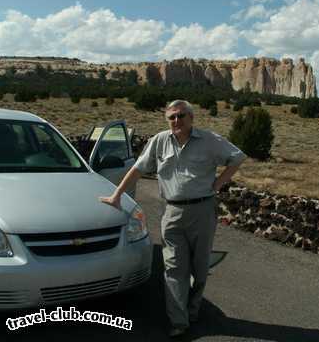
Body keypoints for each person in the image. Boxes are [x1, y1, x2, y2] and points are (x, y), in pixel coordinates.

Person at [99, 99, 247, 337]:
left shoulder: (208, 140)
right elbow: (138, 168)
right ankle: (179, 321)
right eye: (172, 117)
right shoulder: (159, 141)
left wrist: (218, 184)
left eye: (181, 116)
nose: (176, 121)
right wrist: (117, 195)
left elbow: (238, 157)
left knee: (200, 267)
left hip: (203, 211)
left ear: (191, 117)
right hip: (172, 212)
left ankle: (193, 309)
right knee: (174, 267)